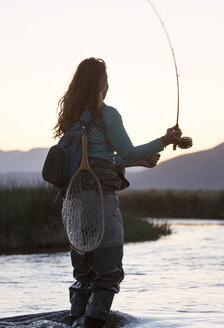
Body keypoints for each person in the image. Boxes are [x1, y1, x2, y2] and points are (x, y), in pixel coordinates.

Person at [53, 57, 182, 328]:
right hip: (101, 201)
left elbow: (96, 158)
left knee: (84, 275)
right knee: (108, 275)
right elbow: (128, 151)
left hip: (73, 204)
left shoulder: (72, 118)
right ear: (102, 83)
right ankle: (92, 324)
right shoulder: (107, 114)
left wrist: (135, 162)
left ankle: (74, 321)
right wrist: (166, 139)